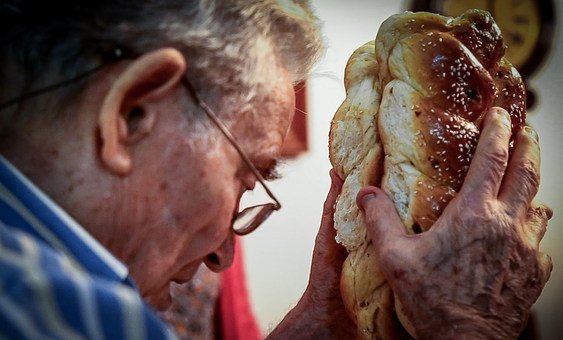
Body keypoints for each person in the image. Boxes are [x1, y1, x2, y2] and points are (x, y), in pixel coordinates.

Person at [0, 0, 551, 339]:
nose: (224, 253)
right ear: (131, 112)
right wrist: (468, 326)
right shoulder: (63, 313)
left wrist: (318, 326)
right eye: (248, 175)